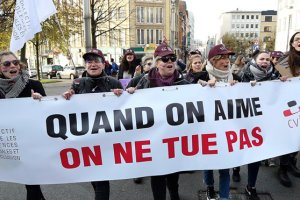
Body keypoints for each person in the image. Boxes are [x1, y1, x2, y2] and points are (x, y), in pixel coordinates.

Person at [127, 42, 190, 200]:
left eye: (172, 58)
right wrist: (127, 93)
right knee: (157, 172)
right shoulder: (142, 81)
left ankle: (174, 193)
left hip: (174, 136)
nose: (170, 62)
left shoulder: (184, 83)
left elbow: (198, 101)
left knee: (173, 171)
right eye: (165, 59)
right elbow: (123, 100)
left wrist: (207, 87)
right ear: (156, 63)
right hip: (152, 136)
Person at [62, 48, 123, 200]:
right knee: (93, 176)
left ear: (103, 65)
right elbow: (68, 108)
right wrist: (66, 96)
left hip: (106, 140)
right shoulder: (77, 83)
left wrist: (122, 95)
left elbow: (126, 108)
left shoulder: (114, 82)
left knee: (101, 178)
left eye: (97, 61)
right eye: (89, 61)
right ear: (85, 65)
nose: (93, 64)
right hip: (86, 141)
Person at [236, 50, 286, 200]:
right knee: (239, 149)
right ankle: (236, 168)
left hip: (263, 121)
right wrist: (243, 86)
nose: (265, 61)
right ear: (254, 60)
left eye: (267, 59)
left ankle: (251, 186)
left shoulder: (275, 75)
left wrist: (284, 82)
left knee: (256, 154)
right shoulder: (244, 74)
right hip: (245, 119)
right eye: (261, 59)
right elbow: (235, 93)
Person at [0, 51, 46, 200]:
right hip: (6, 143)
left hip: (30, 143)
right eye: (7, 64)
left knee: (31, 182)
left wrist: (39, 102)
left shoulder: (34, 85)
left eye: (15, 63)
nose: (12, 66)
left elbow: (48, 115)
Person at [202, 44, 240, 200]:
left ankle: (224, 197)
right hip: (207, 131)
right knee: (208, 164)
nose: (227, 61)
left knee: (225, 167)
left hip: (227, 131)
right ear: (213, 60)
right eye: (223, 58)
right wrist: (202, 87)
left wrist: (245, 87)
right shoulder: (202, 76)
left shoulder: (235, 77)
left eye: (228, 58)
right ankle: (210, 187)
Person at [275, 31, 300, 187]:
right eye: (297, 39)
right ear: (292, 43)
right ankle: (282, 168)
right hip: (289, 104)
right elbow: (274, 80)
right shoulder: (285, 60)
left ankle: (292, 161)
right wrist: (281, 79)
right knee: (289, 135)